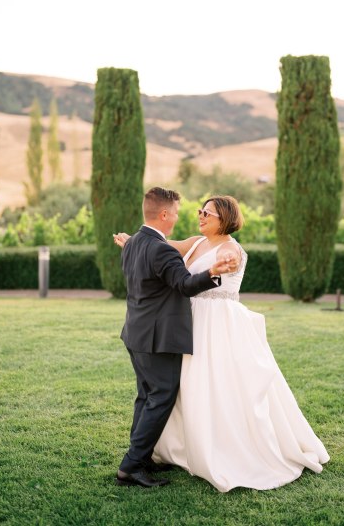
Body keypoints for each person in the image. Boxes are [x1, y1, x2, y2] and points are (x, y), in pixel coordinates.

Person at [115, 194, 330, 492]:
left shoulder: (232, 250)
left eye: (208, 213)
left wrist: (218, 269)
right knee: (180, 390)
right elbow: (159, 246)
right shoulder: (195, 242)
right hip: (188, 324)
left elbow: (217, 270)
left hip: (218, 326)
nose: (200, 216)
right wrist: (134, 242)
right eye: (199, 210)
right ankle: (162, 452)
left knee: (219, 388)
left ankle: (223, 450)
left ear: (225, 218)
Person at [113, 187, 238, 488]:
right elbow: (184, 285)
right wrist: (213, 272)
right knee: (160, 397)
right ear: (165, 214)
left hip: (136, 332)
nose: (184, 217)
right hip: (158, 337)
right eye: (179, 213)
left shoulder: (134, 243)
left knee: (146, 396)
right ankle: (131, 465)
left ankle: (140, 459)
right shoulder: (161, 249)